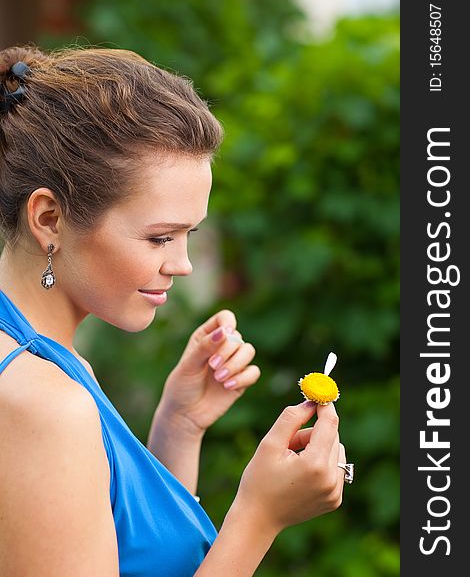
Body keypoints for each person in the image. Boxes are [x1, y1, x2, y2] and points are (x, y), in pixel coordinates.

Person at [0, 45, 349, 576]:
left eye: (190, 234)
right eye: (160, 237)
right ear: (49, 218)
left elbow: (131, 555)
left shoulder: (44, 367)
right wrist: (259, 516)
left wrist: (179, 426)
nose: (182, 264)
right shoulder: (41, 405)